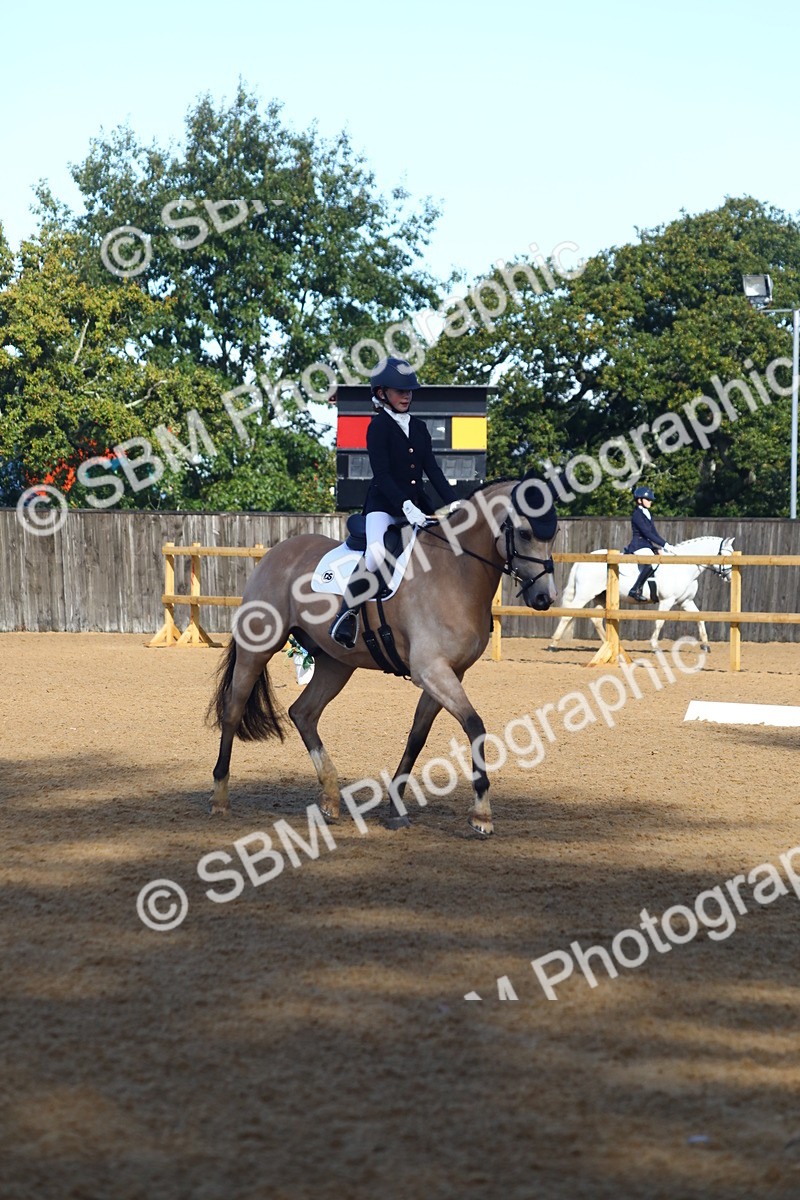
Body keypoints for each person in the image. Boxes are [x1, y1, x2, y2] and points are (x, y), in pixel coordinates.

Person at [330, 356, 460, 648]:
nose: (406, 395)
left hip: (418, 505)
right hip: (384, 507)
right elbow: (383, 475)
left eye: (409, 391)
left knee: (444, 548)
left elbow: (433, 471)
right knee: (376, 554)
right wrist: (405, 506)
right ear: (381, 394)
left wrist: (454, 503)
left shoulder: (419, 427)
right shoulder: (378, 428)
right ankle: (347, 613)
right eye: (400, 391)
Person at [625, 486, 677, 602]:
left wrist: (662, 546)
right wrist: (665, 545)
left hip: (646, 545)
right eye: (648, 500)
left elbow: (654, 533)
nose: (650, 502)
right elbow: (647, 533)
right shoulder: (637, 515)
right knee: (650, 563)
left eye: (650, 500)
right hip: (638, 545)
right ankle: (635, 590)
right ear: (639, 500)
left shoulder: (647, 513)